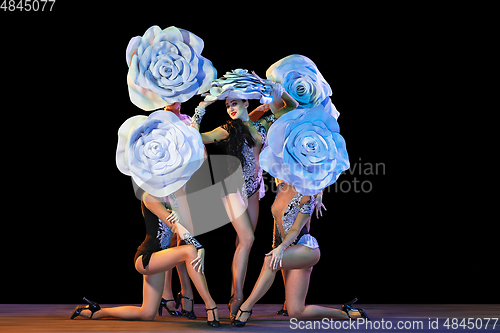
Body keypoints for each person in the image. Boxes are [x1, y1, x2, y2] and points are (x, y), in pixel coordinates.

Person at [190, 75, 298, 319]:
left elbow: (291, 109)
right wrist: (202, 108)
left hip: (254, 189)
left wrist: (277, 90)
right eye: (227, 105)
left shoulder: (263, 125)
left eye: (235, 103)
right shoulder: (228, 130)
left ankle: (234, 293)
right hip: (232, 189)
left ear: (247, 104)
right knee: (248, 239)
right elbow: (196, 137)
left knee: (244, 244)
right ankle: (237, 296)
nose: (230, 108)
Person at [70, 191, 220, 327]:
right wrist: (200, 247)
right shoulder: (149, 197)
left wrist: (180, 213)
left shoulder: (172, 197)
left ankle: (96, 312)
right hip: (146, 257)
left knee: (147, 314)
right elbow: (174, 226)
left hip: (159, 258)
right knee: (190, 251)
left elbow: (184, 225)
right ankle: (210, 305)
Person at [231, 182, 370, 326]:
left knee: (269, 261)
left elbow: (296, 230)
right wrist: (276, 246)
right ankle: (346, 313)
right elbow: (277, 224)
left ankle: (246, 307)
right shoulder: (281, 188)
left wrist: (280, 249)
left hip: (305, 249)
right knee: (296, 312)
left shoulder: (306, 196)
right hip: (287, 250)